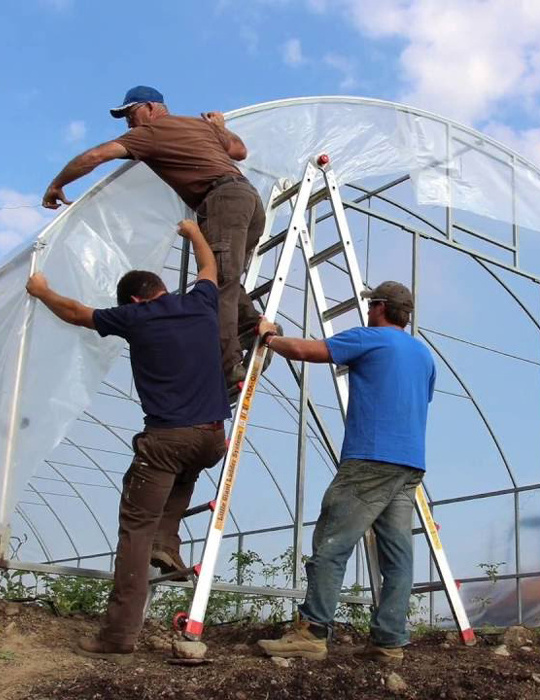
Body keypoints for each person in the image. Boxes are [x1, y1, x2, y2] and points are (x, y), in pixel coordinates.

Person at [26, 220, 230, 662]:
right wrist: (192, 231)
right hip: (214, 439)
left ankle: (118, 636)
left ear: (136, 300)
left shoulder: (137, 316)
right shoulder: (200, 304)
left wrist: (41, 290)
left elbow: (79, 313)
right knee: (182, 474)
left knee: (133, 529)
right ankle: (167, 541)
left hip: (168, 437)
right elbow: (210, 266)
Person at [42, 84, 272, 399]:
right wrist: (220, 127)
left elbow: (97, 155)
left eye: (130, 113)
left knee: (216, 285)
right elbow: (239, 151)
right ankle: (252, 328)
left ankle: (228, 371)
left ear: (151, 107)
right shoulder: (198, 126)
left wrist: (57, 184)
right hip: (248, 200)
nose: (128, 123)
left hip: (221, 201)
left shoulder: (150, 132)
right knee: (224, 278)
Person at [255, 281, 435, 665]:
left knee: (332, 544)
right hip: (409, 465)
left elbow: (307, 350)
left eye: (372, 305)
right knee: (398, 557)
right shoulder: (424, 356)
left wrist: (270, 338)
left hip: (370, 459)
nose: (368, 310)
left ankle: (312, 631)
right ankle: (389, 641)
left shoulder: (370, 338)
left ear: (381, 308)